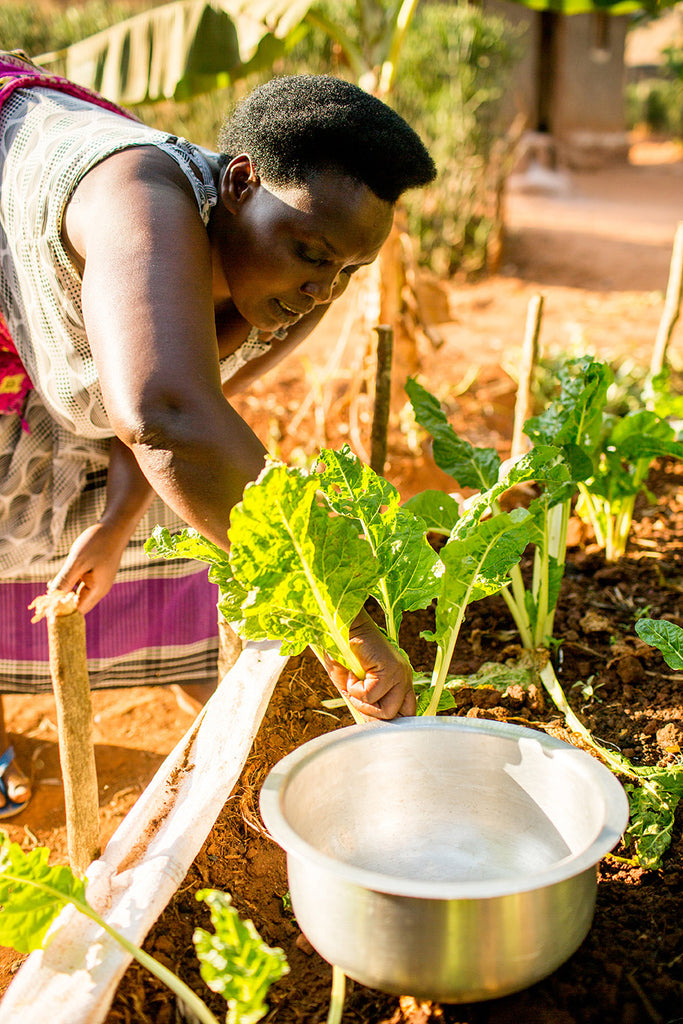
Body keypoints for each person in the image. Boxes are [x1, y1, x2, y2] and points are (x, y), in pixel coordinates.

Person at [0, 52, 437, 816]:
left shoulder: (303, 275)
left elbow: (173, 411)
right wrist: (346, 620)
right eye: (311, 256)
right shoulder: (135, 200)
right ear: (238, 184)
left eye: (349, 270)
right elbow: (166, 415)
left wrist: (112, 525)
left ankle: (218, 703)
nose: (324, 289)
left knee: (190, 491)